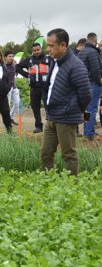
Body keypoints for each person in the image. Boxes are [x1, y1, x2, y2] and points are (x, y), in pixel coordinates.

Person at [41, 28, 91, 176]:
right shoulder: (55, 61)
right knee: (45, 153)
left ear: (62, 45)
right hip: (52, 116)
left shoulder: (76, 65)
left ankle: (72, 189)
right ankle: (46, 183)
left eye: (51, 45)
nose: (48, 49)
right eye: (47, 45)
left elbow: (86, 94)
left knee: (68, 154)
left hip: (66, 118)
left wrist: (77, 110)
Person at [16, 43, 51, 133]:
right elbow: (17, 67)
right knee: (35, 108)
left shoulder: (48, 59)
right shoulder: (29, 60)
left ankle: (50, 126)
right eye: (34, 50)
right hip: (34, 88)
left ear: (41, 49)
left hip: (46, 87)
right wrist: (27, 75)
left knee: (49, 107)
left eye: (37, 50)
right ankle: (38, 126)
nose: (36, 52)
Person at [77, 32, 102, 140]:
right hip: (93, 83)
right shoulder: (92, 52)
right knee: (92, 109)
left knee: (87, 109)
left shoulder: (81, 52)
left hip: (83, 83)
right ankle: (88, 133)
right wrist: (100, 82)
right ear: (95, 39)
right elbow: (96, 71)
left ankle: (89, 130)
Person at [4, 50, 20, 126]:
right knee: (7, 105)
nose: (11, 58)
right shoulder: (3, 66)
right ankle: (7, 121)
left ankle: (10, 117)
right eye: (9, 56)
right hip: (7, 88)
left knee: (18, 103)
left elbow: (15, 74)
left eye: (12, 56)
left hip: (14, 87)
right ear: (5, 58)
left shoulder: (14, 65)